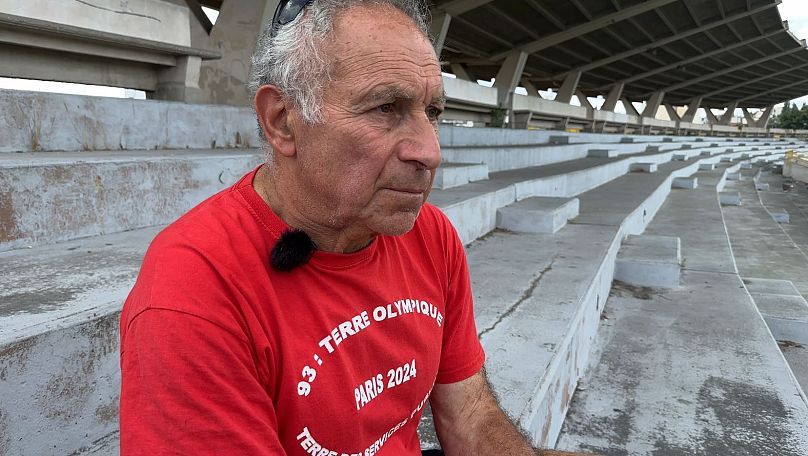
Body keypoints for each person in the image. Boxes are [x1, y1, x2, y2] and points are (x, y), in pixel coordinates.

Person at [119, 1, 593, 455]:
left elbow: (468, 414)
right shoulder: (193, 289)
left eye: (433, 112)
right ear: (283, 122)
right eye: (386, 108)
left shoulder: (431, 234)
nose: (430, 152)